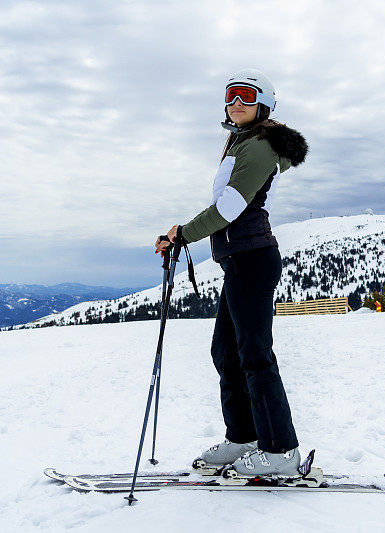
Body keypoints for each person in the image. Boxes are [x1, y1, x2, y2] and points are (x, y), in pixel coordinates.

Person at [155, 69, 308, 477]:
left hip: (253, 259)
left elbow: (229, 208)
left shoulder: (259, 145)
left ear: (264, 102)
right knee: (226, 351)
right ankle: (244, 437)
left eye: (246, 95)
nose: (236, 101)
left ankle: (282, 452)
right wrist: (181, 236)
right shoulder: (241, 141)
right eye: (231, 95)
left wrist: (183, 234)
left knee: (256, 356)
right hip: (239, 260)